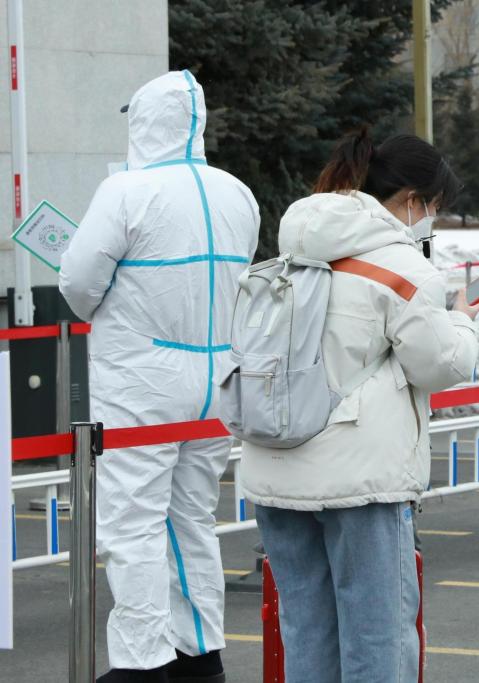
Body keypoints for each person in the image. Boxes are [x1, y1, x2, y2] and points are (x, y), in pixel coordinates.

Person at [241, 127, 479, 683]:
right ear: (414, 200)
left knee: (306, 630)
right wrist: (464, 322)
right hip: (360, 481)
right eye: (434, 207)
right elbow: (439, 364)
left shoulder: (295, 247)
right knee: (377, 635)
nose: (431, 219)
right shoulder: (403, 267)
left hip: (276, 469)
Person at [59, 70, 259, 683]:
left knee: (133, 522)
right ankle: (201, 654)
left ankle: (141, 662)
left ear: (144, 122)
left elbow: (77, 284)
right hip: (216, 374)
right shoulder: (237, 193)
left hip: (142, 379)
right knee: (191, 519)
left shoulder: (126, 191)